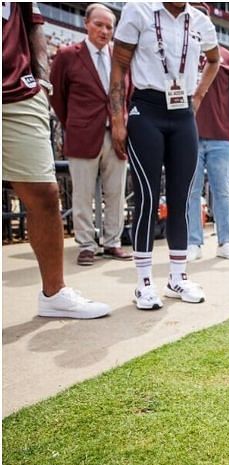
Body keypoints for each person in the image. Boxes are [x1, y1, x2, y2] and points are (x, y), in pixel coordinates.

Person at [2, 2, 110, 319]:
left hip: (16, 92)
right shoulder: (72, 54)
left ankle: (54, 292)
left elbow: (33, 23)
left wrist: (41, 83)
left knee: (45, 195)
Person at [109, 2, 220, 310]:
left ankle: (177, 277)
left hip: (183, 112)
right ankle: (144, 282)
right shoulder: (139, 9)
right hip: (146, 109)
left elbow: (214, 60)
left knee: (181, 199)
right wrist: (117, 119)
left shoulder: (200, 20)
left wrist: (197, 96)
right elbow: (119, 65)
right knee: (146, 196)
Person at [49, 3, 132, 267]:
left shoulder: (120, 58)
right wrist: (73, 123)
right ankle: (86, 244)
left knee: (116, 192)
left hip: (116, 135)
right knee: (82, 194)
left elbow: (126, 93)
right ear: (86, 24)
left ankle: (112, 242)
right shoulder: (67, 55)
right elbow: (57, 96)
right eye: (99, 24)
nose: (104, 31)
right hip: (82, 134)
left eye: (109, 27)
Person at [186, 39, 229, 262]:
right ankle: (193, 242)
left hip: (222, 135)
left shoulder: (226, 56)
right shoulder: (180, 50)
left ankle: (225, 242)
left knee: (222, 191)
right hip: (187, 134)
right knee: (191, 191)